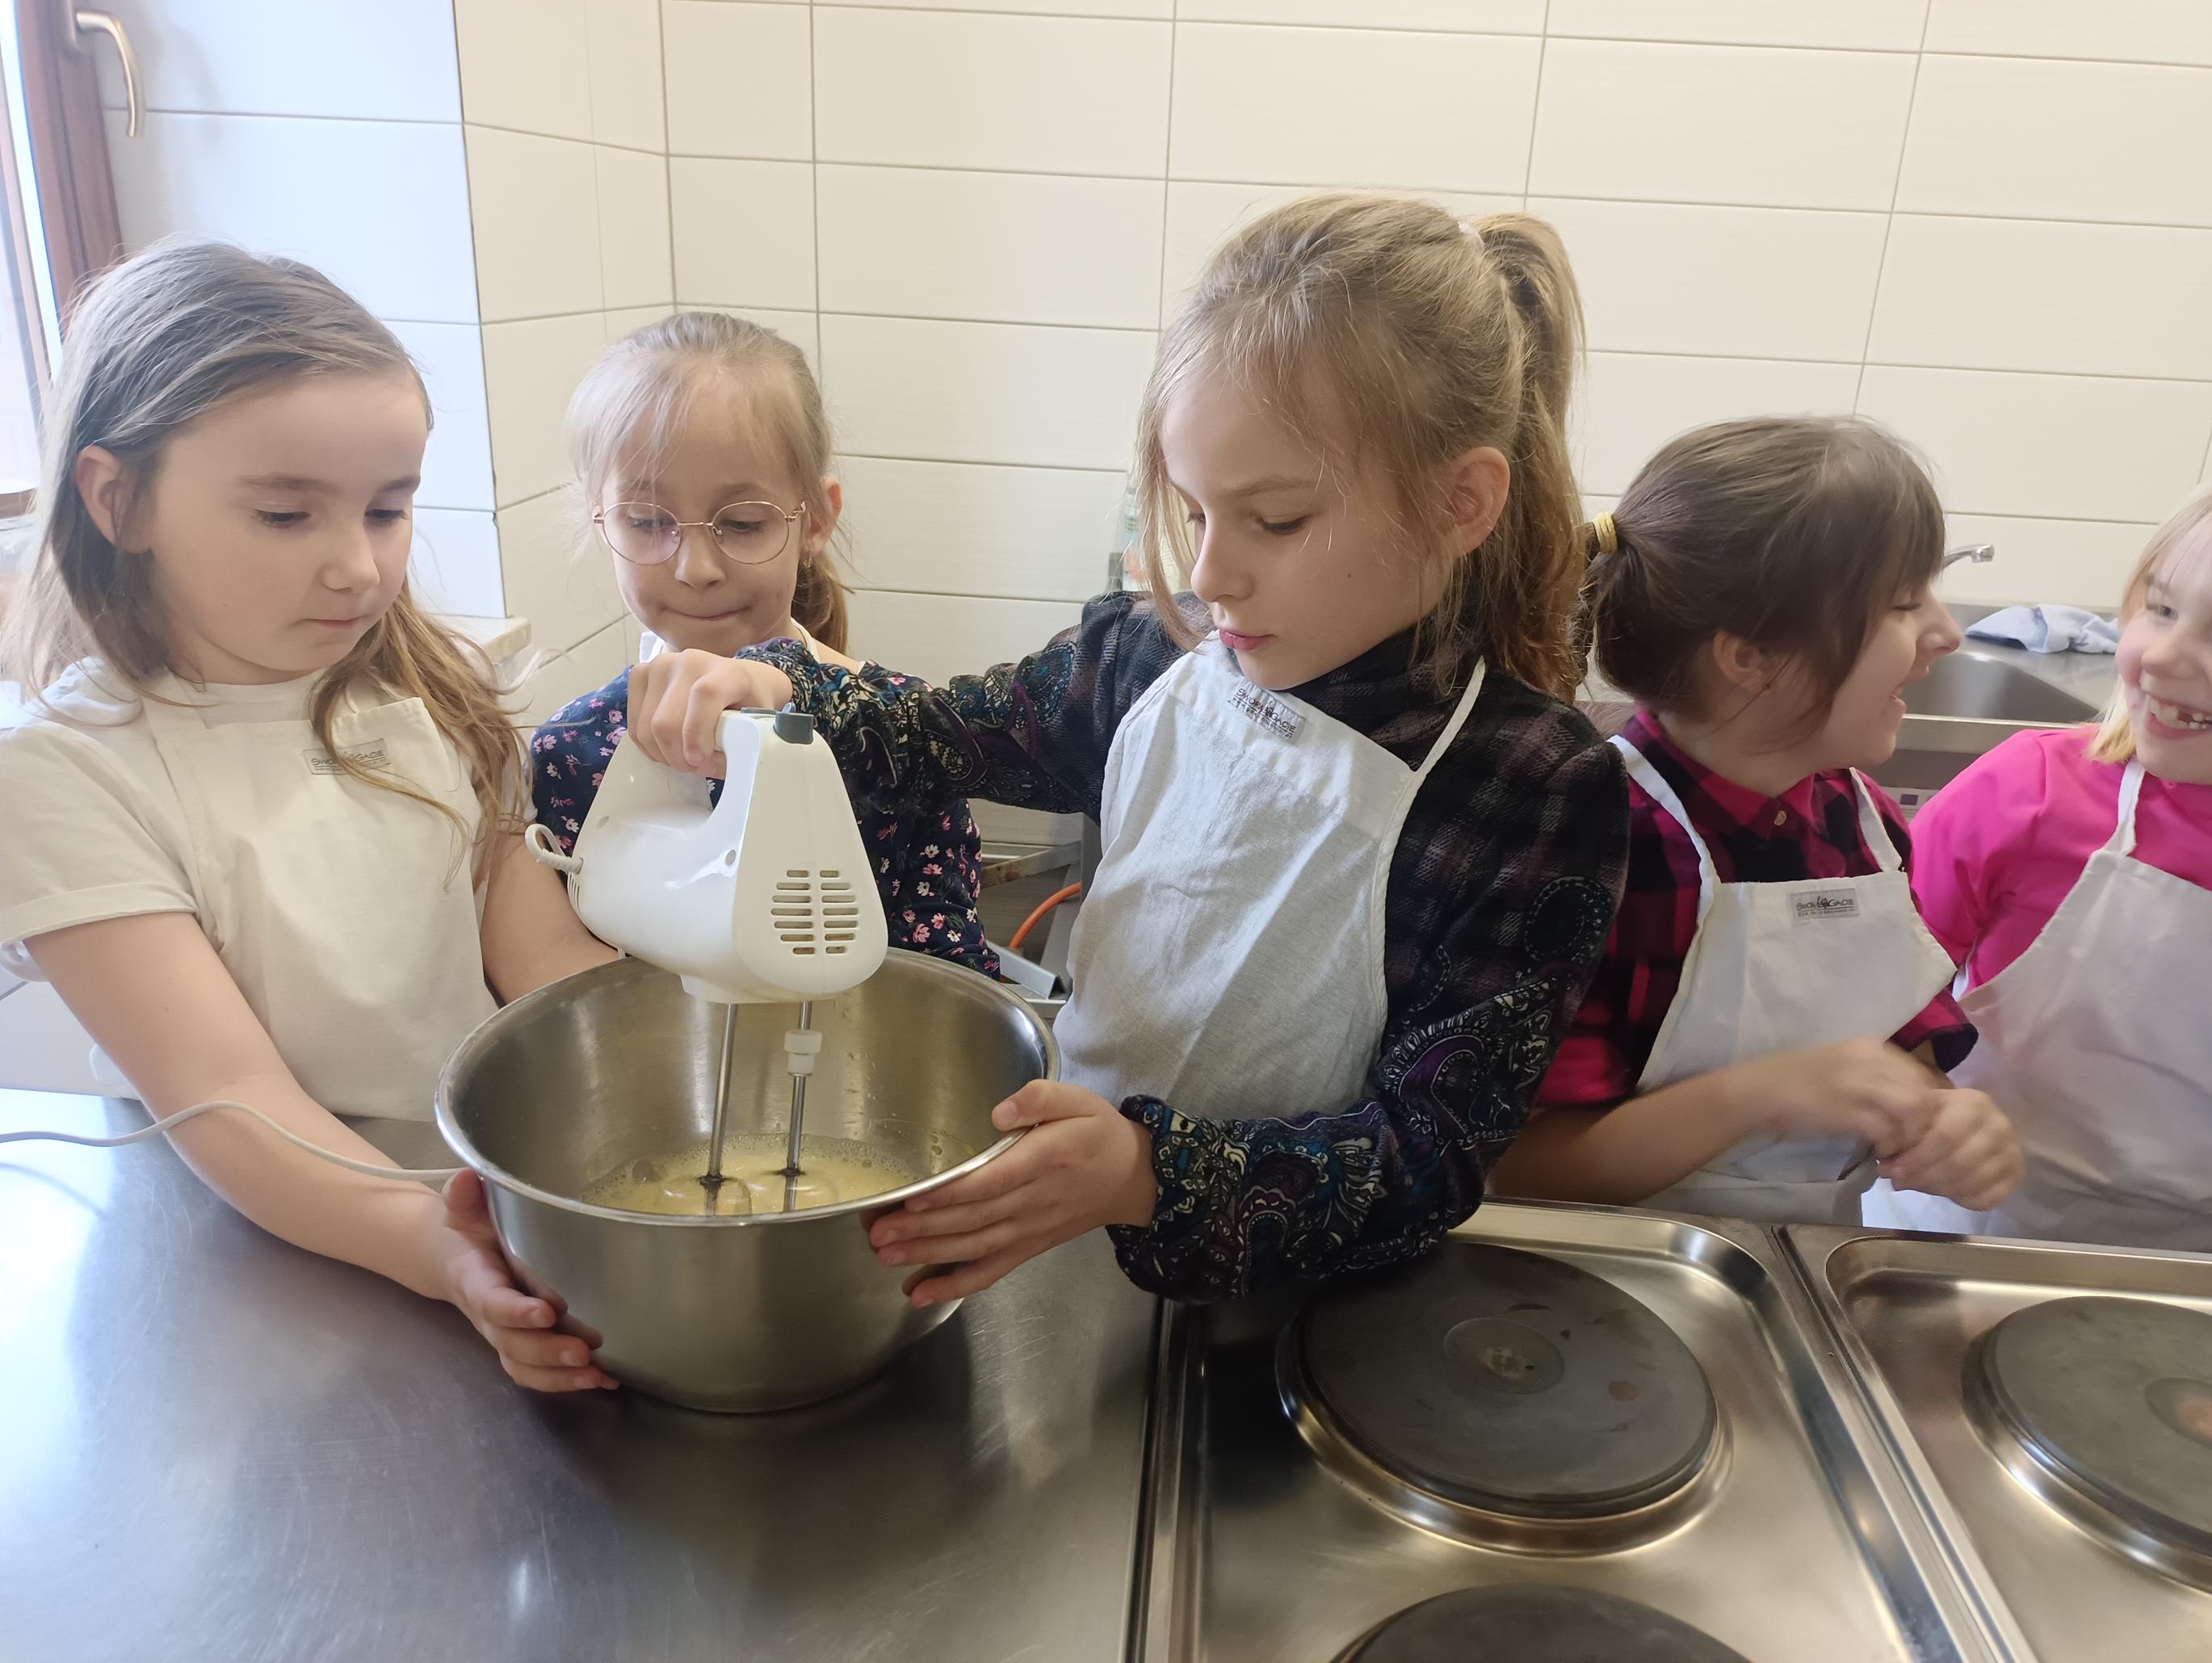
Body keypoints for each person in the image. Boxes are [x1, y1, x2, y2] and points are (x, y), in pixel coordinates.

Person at [626, 195, 1631, 1304]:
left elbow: (1428, 1157)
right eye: (1193, 511)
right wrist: (785, 685)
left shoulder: (1528, 788)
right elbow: (948, 730)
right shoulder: (1156, 656)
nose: (1209, 575)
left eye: (1277, 521)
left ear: (1460, 502)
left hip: (1308, 1316)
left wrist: (1151, 1175)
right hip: (1065, 1225)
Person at [0, 242, 619, 1391]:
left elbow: (543, 960)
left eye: (388, 509)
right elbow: (232, 1099)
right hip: (261, 1274)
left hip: (468, 1214)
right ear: (117, 499)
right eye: (287, 516)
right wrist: (434, 1245)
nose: (358, 568)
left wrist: (682, 1076)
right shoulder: (70, 775)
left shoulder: (423, 693)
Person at [1493, 418, 2021, 1224]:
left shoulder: (1862, 822)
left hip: (1806, 1261)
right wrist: (1766, 1094)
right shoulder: (1595, 842)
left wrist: (1944, 1119)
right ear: (1752, 659)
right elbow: (1526, 1167)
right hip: (1612, 1272)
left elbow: (1902, 1043)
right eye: (1904, 604)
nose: (1947, 634)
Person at [527, 313, 996, 976]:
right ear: (600, 519)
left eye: (743, 524)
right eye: (648, 521)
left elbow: (948, 980)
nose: (695, 568)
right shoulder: (571, 753)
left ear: (817, 520)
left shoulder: (893, 739)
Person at [1883, 476, 2212, 1250]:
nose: (2163, 655)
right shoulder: (2030, 790)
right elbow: (1869, 1004)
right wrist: (1925, 1103)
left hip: (2205, 1276)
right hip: (1969, 1241)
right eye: (2160, 608)